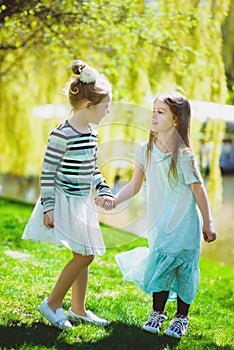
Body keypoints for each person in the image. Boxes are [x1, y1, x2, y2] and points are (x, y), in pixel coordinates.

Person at [95, 91, 217, 338]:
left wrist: (208, 221)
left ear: (175, 121)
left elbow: (198, 188)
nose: (153, 115)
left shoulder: (183, 155)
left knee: (184, 270)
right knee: (161, 265)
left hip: (184, 224)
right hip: (160, 223)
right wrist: (114, 200)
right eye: (153, 110)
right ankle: (157, 313)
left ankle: (181, 317)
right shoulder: (144, 149)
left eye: (160, 112)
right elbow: (134, 185)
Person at [22, 60, 115, 330]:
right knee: (85, 255)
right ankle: (51, 303)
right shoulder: (62, 134)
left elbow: (92, 168)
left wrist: (103, 189)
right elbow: (47, 173)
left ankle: (78, 308)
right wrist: (49, 207)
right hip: (64, 201)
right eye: (105, 107)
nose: (107, 113)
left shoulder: (91, 133)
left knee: (82, 252)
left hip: (82, 202)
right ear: (88, 106)